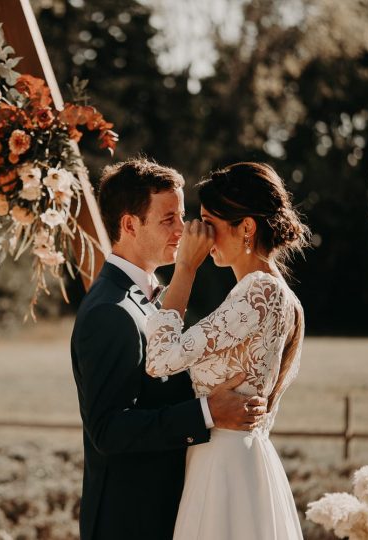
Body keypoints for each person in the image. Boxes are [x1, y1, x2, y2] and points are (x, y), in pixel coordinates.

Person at [70, 158, 267, 540]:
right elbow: (108, 430)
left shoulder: (146, 299)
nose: (183, 229)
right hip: (130, 521)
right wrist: (207, 412)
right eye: (168, 219)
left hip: (165, 511)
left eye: (182, 216)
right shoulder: (109, 312)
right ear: (129, 225)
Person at [145, 161, 310, 539]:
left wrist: (185, 267)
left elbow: (160, 360)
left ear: (246, 227)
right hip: (238, 460)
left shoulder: (259, 292)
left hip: (225, 467)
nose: (198, 233)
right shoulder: (281, 295)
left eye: (208, 222)